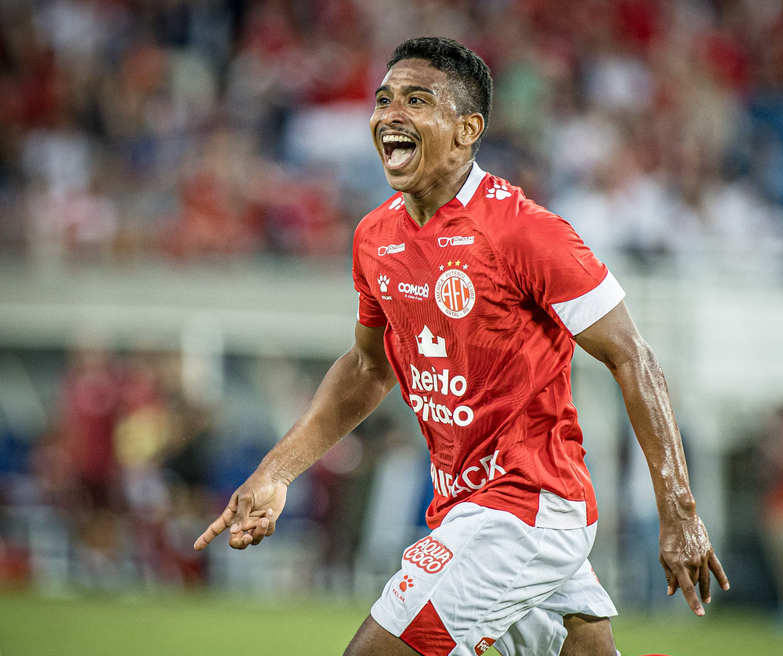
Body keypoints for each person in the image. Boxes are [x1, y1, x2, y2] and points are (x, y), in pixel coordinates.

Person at [194, 37, 728, 656]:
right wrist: (276, 471)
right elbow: (370, 367)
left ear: (467, 128)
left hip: (528, 507)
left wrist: (679, 507)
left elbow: (631, 356)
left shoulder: (525, 231)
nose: (390, 115)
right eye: (384, 99)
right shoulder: (375, 236)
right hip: (465, 504)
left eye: (416, 101)